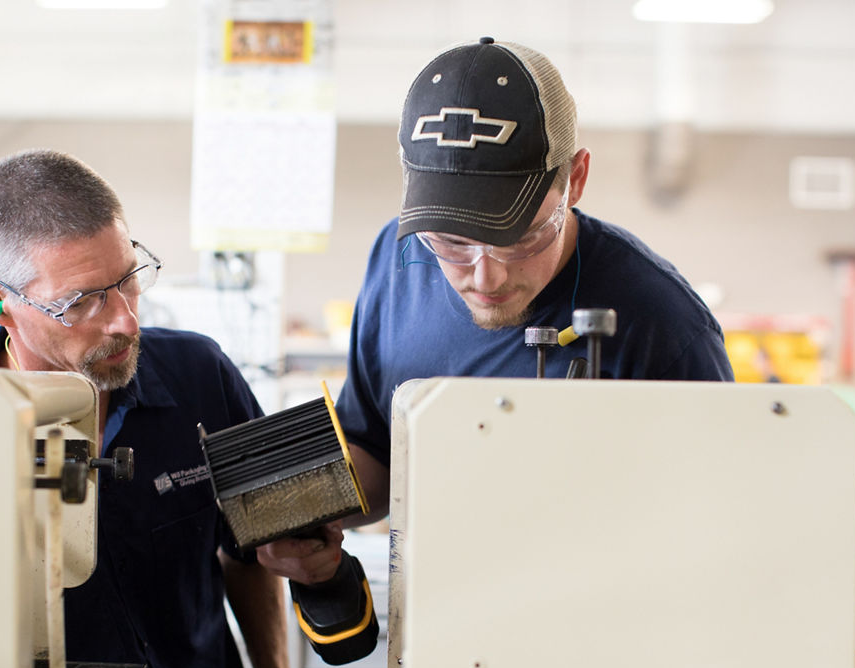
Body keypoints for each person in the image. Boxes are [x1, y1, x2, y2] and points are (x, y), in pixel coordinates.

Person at [259, 38, 735, 586]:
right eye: (452, 243)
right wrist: (303, 517)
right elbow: (375, 445)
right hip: (439, 620)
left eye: (521, 238)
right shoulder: (399, 256)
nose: (486, 277)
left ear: (574, 180)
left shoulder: (665, 326)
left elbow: (714, 533)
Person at [0, 149, 293, 668]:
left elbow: (253, 552)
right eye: (83, 302)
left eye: (129, 279)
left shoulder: (201, 374)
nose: (126, 320)